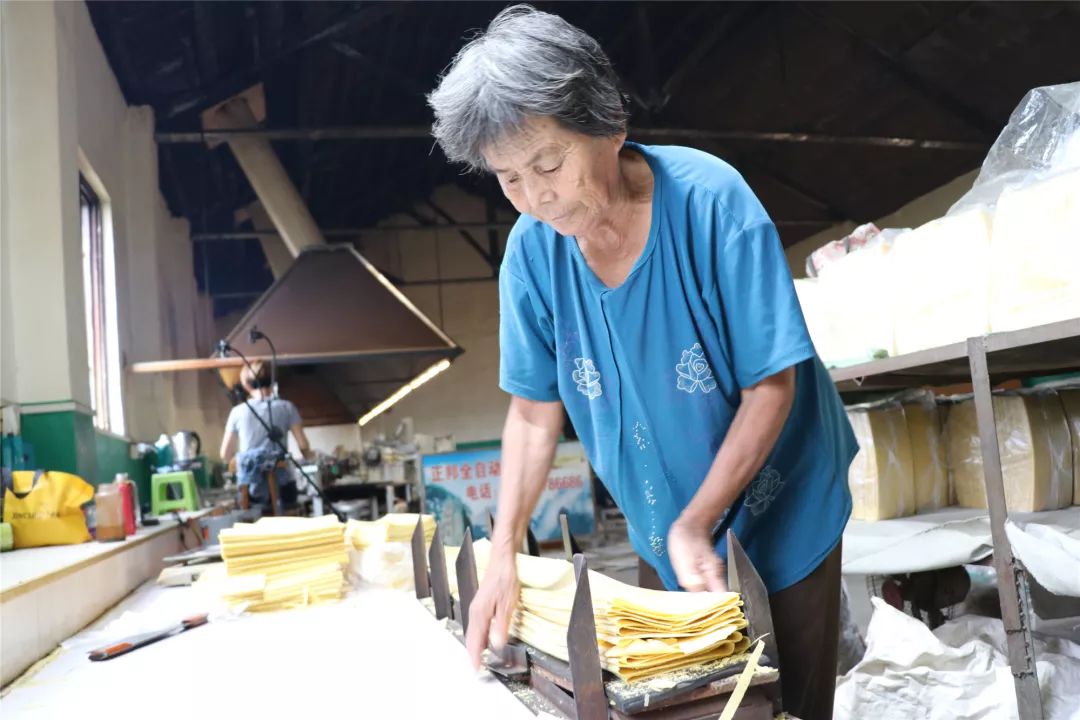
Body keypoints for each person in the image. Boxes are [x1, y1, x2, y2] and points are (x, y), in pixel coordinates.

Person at [428, 7, 857, 719]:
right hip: (663, 518)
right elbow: (535, 416)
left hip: (784, 502)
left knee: (791, 702)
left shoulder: (711, 201)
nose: (535, 197)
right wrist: (502, 547)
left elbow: (770, 386)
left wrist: (701, 522)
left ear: (608, 124)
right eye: (508, 178)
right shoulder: (532, 257)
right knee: (690, 703)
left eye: (548, 163)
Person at [219, 361, 311, 513]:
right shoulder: (287, 407)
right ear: (273, 381)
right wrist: (308, 458)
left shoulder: (237, 412)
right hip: (283, 487)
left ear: (246, 385)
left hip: (251, 489)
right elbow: (303, 446)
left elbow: (225, 454)